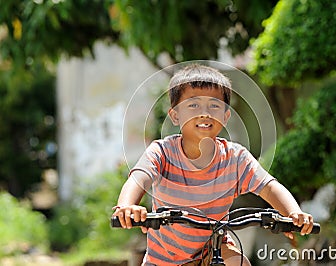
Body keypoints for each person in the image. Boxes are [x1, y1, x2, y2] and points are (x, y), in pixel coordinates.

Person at [113, 64, 314, 266]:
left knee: (239, 263)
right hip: (164, 259)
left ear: (226, 116)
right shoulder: (162, 152)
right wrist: (127, 206)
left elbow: (269, 187)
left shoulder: (235, 158)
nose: (205, 113)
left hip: (214, 248)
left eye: (214, 106)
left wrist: (292, 213)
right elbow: (139, 178)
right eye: (193, 105)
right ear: (175, 115)